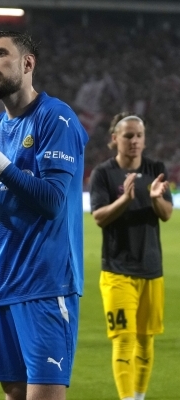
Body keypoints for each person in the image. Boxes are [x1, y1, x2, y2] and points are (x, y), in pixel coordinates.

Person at [0, 31, 88, 400]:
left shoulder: (56, 118)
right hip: (1, 286)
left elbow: (52, 200)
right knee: (13, 394)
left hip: (45, 286)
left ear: (28, 63)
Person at [89, 112, 173, 400]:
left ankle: (138, 397)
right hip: (117, 272)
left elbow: (167, 215)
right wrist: (124, 199)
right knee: (123, 341)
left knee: (146, 341)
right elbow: (98, 217)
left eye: (139, 135)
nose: (135, 141)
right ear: (115, 139)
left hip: (152, 270)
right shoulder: (104, 173)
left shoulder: (156, 168)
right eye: (128, 135)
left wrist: (154, 198)